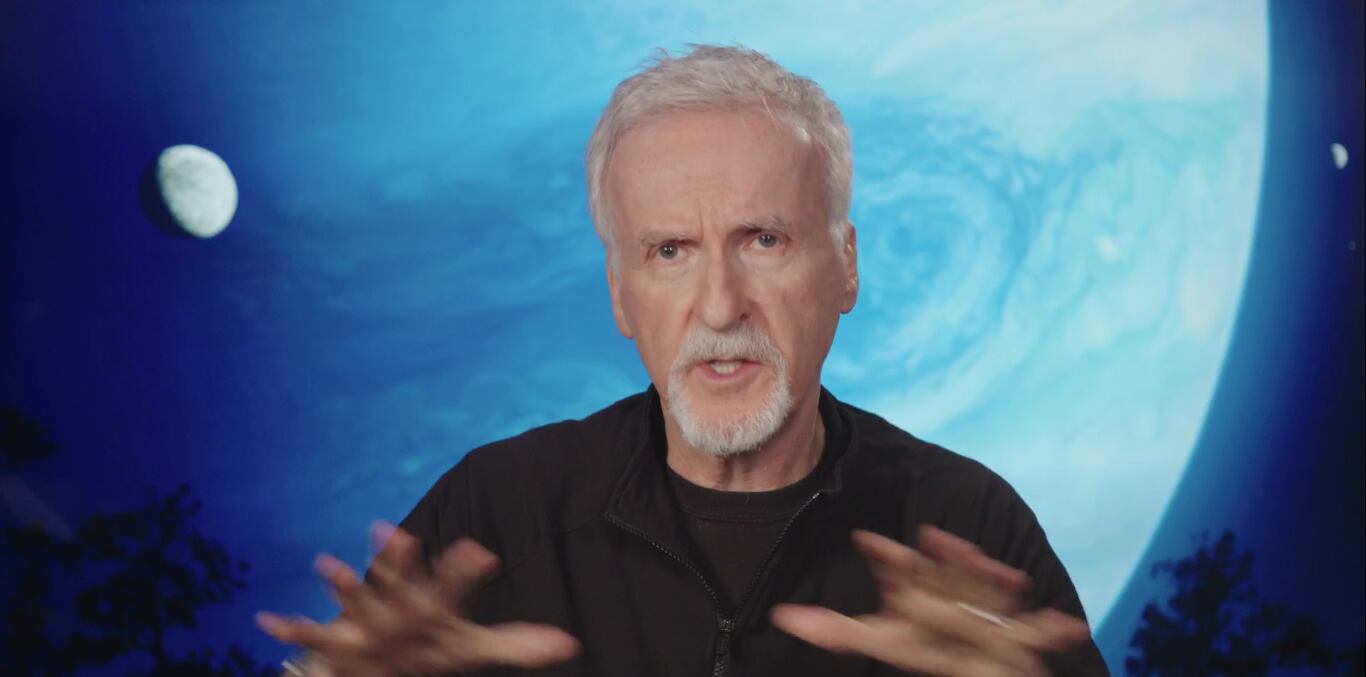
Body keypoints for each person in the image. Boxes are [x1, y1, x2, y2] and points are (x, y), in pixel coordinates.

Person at [257, 44, 1109, 676]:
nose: (720, 305)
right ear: (620, 293)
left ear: (846, 266)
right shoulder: (495, 513)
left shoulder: (967, 527)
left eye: (764, 239)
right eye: (670, 251)